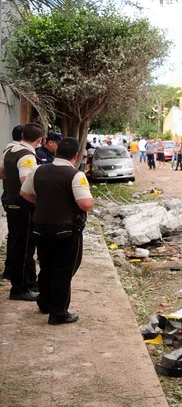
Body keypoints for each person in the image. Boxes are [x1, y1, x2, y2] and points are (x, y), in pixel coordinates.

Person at [21, 137, 95, 325]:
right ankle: (59, 313)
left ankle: (44, 303)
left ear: (55, 151)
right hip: (66, 230)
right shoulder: (75, 175)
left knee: (46, 266)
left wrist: (44, 203)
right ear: (76, 155)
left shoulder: (37, 170)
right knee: (63, 270)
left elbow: (25, 193)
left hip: (40, 227)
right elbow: (85, 204)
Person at [1, 122, 44, 301]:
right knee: (25, 247)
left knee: (18, 244)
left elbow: (1, 173)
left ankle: (24, 284)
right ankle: (20, 288)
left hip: (10, 201)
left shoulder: (9, 150)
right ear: (40, 139)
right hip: (23, 205)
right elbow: (26, 182)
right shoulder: (27, 156)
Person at [1, 125, 24, 282]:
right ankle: (16, 274)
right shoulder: (22, 154)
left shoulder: (7, 152)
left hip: (8, 195)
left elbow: (1, 173)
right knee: (21, 238)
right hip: (18, 198)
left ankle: (9, 270)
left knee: (14, 235)